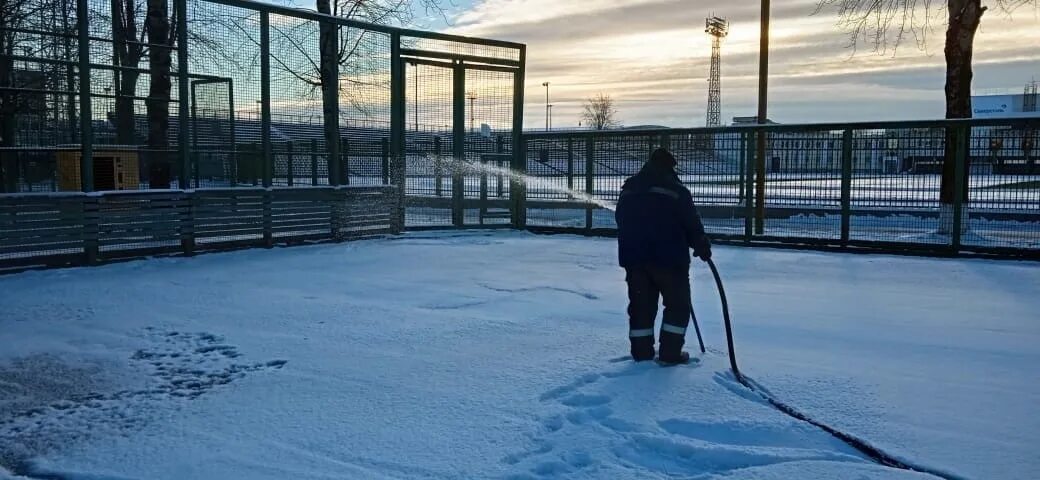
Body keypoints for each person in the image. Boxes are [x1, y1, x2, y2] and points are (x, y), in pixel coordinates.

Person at [615, 148, 711, 365]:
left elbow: (620, 218)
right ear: (670, 167)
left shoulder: (629, 189)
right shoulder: (677, 191)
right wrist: (701, 245)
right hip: (670, 260)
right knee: (677, 306)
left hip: (635, 260)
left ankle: (641, 352)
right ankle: (670, 353)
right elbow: (692, 224)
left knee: (641, 306)